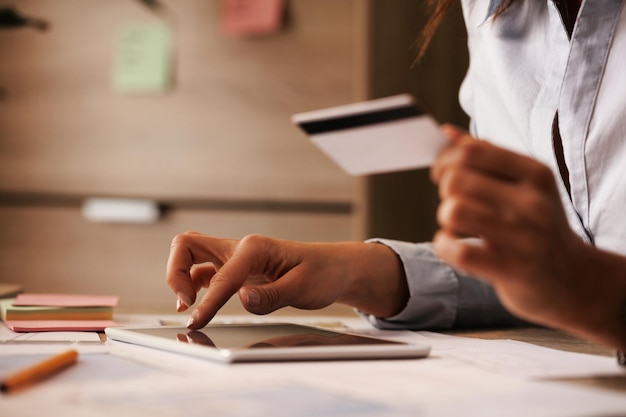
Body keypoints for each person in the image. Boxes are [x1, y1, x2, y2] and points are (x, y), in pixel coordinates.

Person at [166, 0, 626, 354]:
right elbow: (540, 278)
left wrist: (589, 288)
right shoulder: (490, 12)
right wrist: (353, 271)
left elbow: (575, 281)